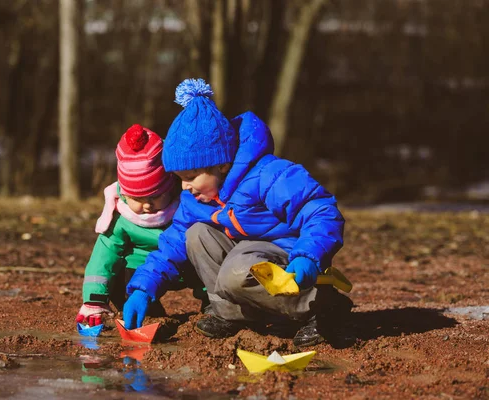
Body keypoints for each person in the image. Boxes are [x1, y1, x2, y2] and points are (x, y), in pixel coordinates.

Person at [122, 79, 352, 346]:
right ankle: (233, 314)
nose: (185, 187)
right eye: (180, 178)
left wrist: (308, 255)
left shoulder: (268, 175)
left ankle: (319, 307)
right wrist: (143, 288)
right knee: (196, 234)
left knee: (236, 270)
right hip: (247, 254)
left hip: (288, 254)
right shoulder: (195, 198)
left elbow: (320, 211)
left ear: (220, 165)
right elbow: (172, 246)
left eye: (191, 176)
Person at [76, 124, 181, 326]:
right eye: (138, 198)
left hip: (184, 266)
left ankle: (214, 306)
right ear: (124, 194)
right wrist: (94, 300)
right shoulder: (120, 217)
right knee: (118, 273)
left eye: (156, 196)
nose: (148, 204)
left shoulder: (184, 205)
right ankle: (147, 314)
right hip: (140, 269)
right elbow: (103, 256)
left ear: (170, 187)